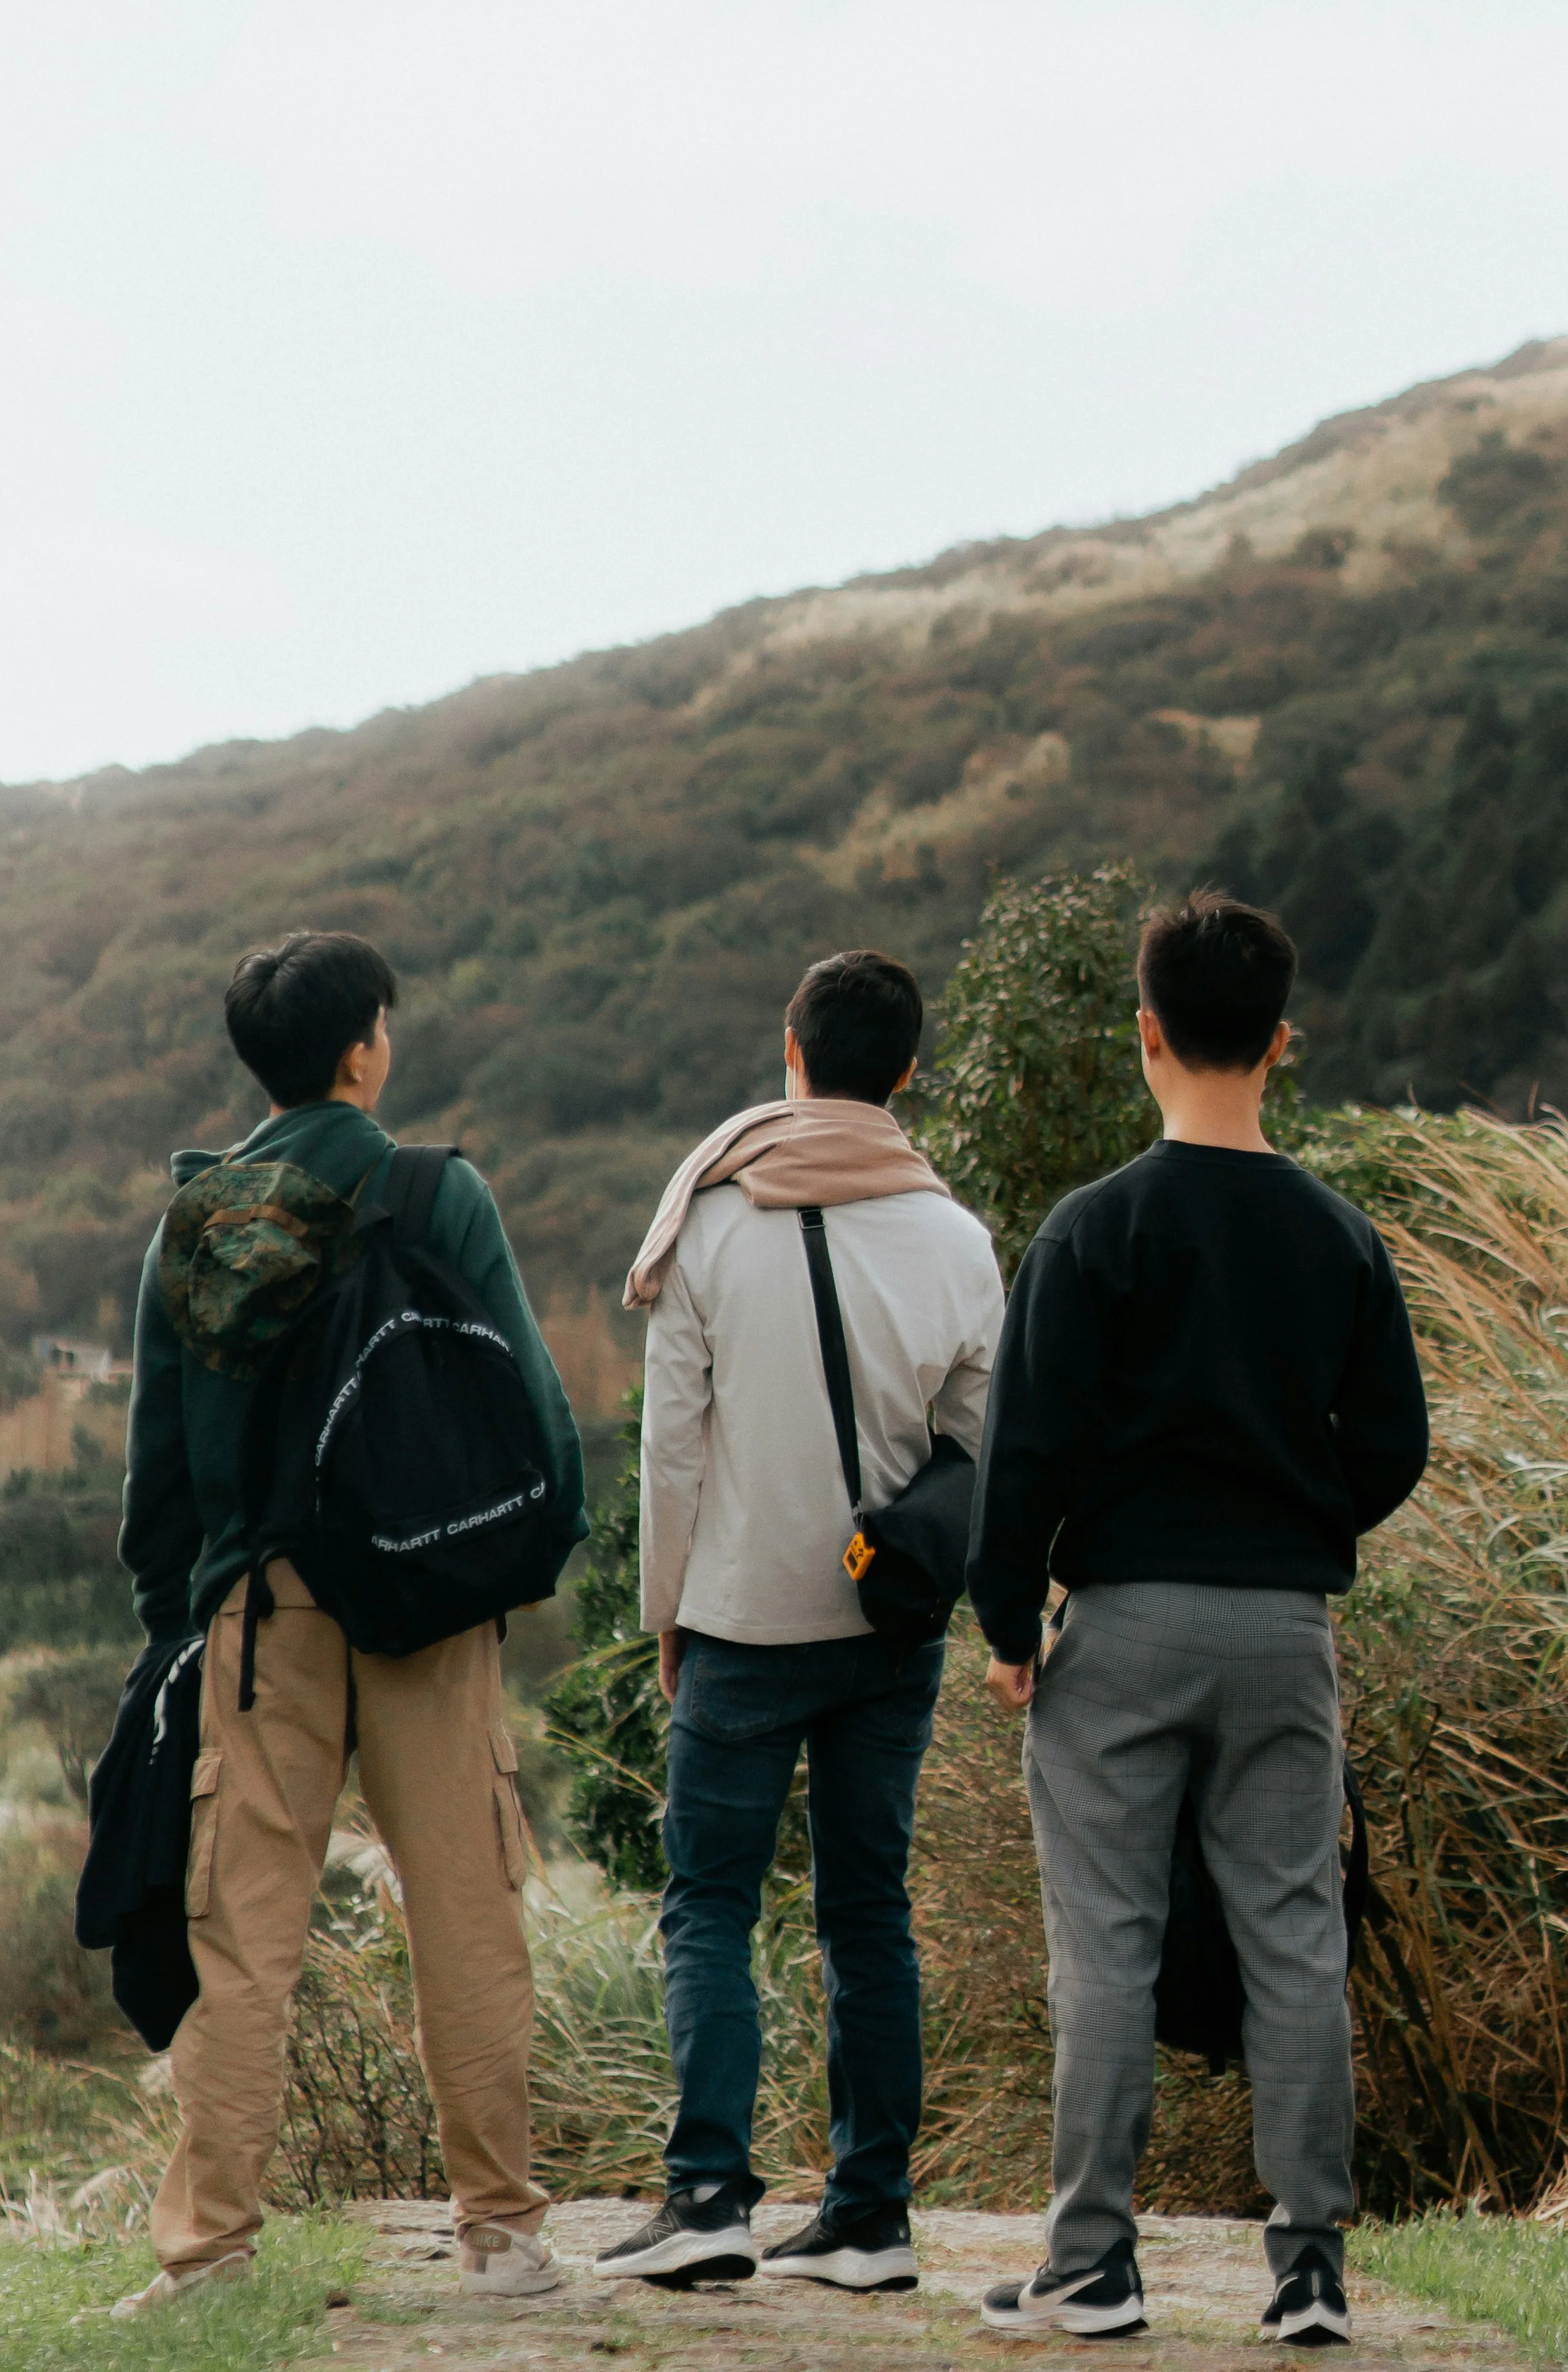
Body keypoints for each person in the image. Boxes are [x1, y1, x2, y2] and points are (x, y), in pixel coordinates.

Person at [968, 895, 1428, 2350]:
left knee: (1109, 1942)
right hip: (1284, 1624)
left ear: (1148, 1032)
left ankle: (1094, 2264)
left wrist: (1006, 1618)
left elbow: (1021, 1452)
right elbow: (1397, 1441)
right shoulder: (1339, 1234)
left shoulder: (1095, 1226)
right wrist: (1305, 1518)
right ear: (1282, 1042)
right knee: (1296, 1938)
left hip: (1123, 1618)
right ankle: (1308, 2273)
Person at [110, 928, 586, 2320]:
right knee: (466, 1908)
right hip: (429, 1605)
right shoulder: (438, 1189)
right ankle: (499, 2236)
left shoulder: (191, 1223)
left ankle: (205, 2255)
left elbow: (159, 1480)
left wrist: (186, 1616)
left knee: (243, 1932)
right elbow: (538, 1420)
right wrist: (508, 1562)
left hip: (265, 1618)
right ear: (365, 1044)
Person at [600, 948, 1004, 2298]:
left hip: (739, 1622)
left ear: (792, 1051)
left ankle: (708, 2195)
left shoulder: (711, 1224)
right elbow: (974, 1449)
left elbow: (671, 1451)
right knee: (867, 1911)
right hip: (887, 1628)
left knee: (710, 1902)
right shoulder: (958, 1241)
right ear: (905, 1072)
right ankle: (872, 2216)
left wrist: (668, 1612)